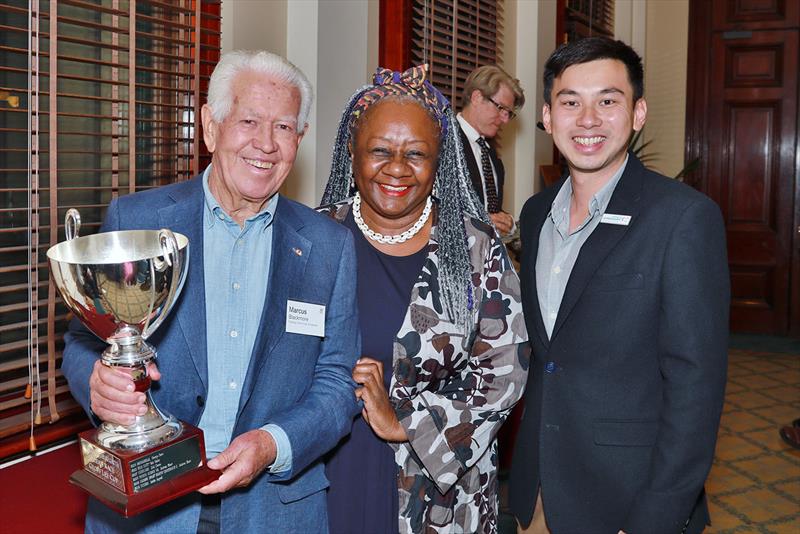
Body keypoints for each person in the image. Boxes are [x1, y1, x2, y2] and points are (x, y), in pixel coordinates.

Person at [61, 50, 360, 533]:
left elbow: (338, 380)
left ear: (299, 139)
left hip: (275, 508)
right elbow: (84, 341)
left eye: (284, 127)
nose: (266, 144)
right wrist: (97, 385)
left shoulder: (329, 246)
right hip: (150, 510)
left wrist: (273, 444)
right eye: (248, 120)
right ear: (210, 126)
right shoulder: (137, 223)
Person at [509, 37, 730, 534]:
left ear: (638, 112)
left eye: (608, 101)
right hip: (539, 490)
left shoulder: (683, 218)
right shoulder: (536, 212)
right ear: (547, 116)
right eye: (571, 102)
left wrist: (655, 519)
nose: (588, 119)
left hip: (629, 498)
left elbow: (697, 388)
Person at [319, 65, 529, 534]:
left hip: (437, 491)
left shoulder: (476, 249)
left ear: (441, 163)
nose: (397, 168)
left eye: (417, 154)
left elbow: (505, 370)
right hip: (328, 473)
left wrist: (408, 425)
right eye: (379, 151)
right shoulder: (312, 237)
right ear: (351, 154)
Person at [457, 65, 525, 236]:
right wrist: (477, 223)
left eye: (508, 113)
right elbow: (427, 208)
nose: (505, 119)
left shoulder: (491, 156)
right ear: (477, 97)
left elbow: (488, 210)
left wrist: (507, 224)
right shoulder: (442, 142)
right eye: (501, 108)